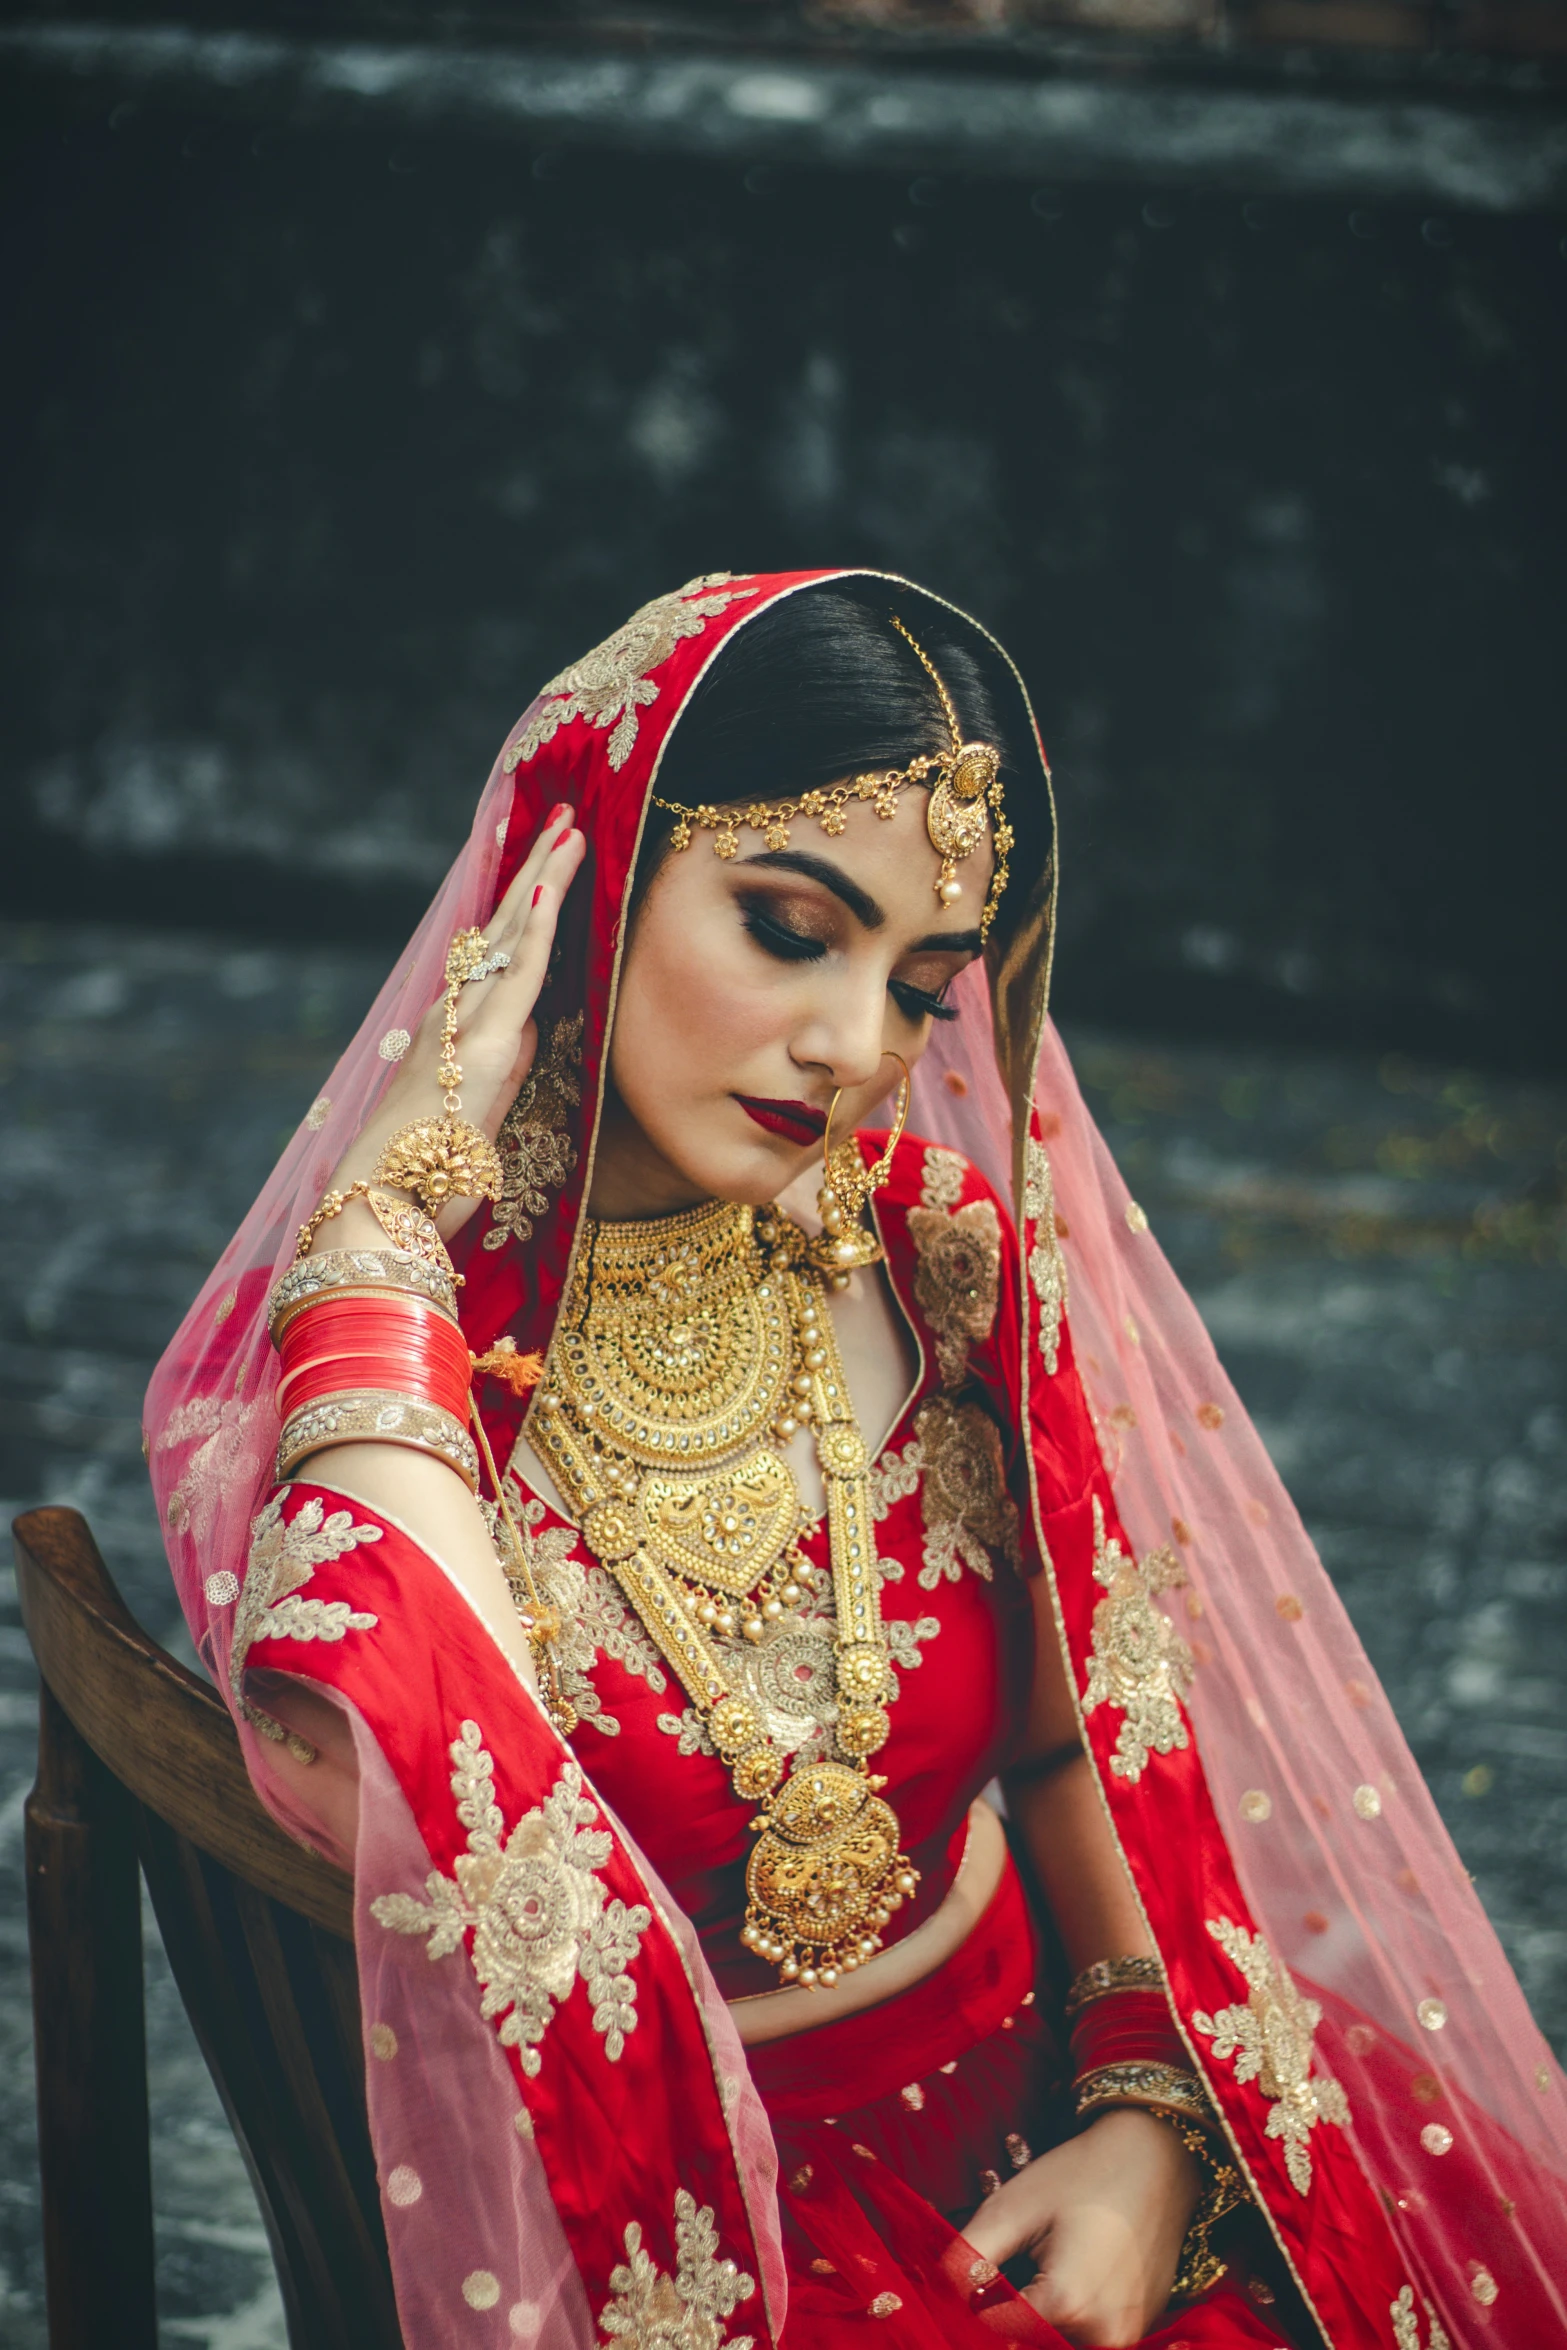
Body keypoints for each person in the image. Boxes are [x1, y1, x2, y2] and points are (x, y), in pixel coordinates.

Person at [147, 572, 1566, 2350]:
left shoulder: (941, 1255)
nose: (854, 1049)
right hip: (695, 2206)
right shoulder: (384, 1357)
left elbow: (1072, 1741)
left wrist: (1146, 2116)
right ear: (580, 867)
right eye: (788, 925)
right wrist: (376, 1228)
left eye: (919, 984)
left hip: (1056, 2108)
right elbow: (443, 1776)